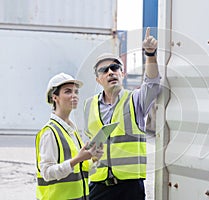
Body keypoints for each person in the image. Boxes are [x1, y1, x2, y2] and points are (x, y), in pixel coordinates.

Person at [84, 27, 160, 200]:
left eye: (115, 67)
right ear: (98, 79)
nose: (110, 72)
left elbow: (153, 83)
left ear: (122, 73)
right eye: (104, 70)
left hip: (129, 188)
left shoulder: (135, 100)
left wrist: (150, 54)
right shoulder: (88, 106)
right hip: (98, 186)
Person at [35, 72, 104, 200]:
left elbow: (79, 169)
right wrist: (77, 159)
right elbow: (47, 173)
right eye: (68, 92)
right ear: (55, 97)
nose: (74, 96)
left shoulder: (72, 130)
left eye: (76, 92)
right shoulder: (50, 132)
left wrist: (93, 158)